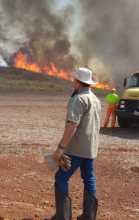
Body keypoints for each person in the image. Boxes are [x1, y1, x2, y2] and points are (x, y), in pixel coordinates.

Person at [48, 67, 101, 220]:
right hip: (90, 148)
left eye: (75, 79)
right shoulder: (95, 99)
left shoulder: (78, 99)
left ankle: (62, 217)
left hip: (76, 148)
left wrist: (60, 148)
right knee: (88, 177)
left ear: (78, 81)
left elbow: (72, 125)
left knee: (61, 178)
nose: (73, 82)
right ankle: (88, 217)